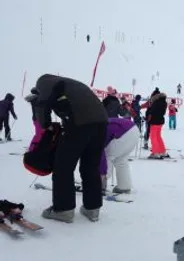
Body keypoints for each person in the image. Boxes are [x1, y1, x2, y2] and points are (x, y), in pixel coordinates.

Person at [31, 74, 108, 223]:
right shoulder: (71, 84)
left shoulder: (45, 81)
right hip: (101, 122)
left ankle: (63, 210)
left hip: (79, 122)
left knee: (63, 167)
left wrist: (45, 124)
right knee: (91, 166)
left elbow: (42, 104)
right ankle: (92, 209)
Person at [100, 118, 140, 194]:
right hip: (133, 129)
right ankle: (124, 186)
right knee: (121, 159)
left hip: (124, 132)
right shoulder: (98, 124)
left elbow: (102, 155)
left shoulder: (95, 132)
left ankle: (101, 184)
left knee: (108, 156)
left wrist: (102, 174)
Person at [147, 88, 168, 159]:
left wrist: (148, 117)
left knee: (153, 137)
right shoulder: (164, 102)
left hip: (154, 121)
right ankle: (162, 151)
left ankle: (155, 152)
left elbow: (152, 111)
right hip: (160, 120)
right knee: (158, 136)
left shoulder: (156, 102)